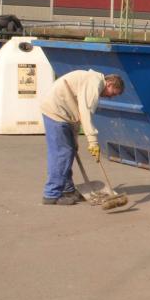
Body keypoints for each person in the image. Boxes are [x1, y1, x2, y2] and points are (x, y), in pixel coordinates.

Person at [39, 69, 124, 205]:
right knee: (62, 154)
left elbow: (78, 111)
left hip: (62, 113)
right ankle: (52, 194)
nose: (110, 97)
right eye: (112, 93)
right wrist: (93, 142)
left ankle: (68, 189)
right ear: (109, 84)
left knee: (69, 151)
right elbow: (86, 112)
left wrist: (75, 140)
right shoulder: (94, 84)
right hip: (56, 112)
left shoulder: (90, 80)